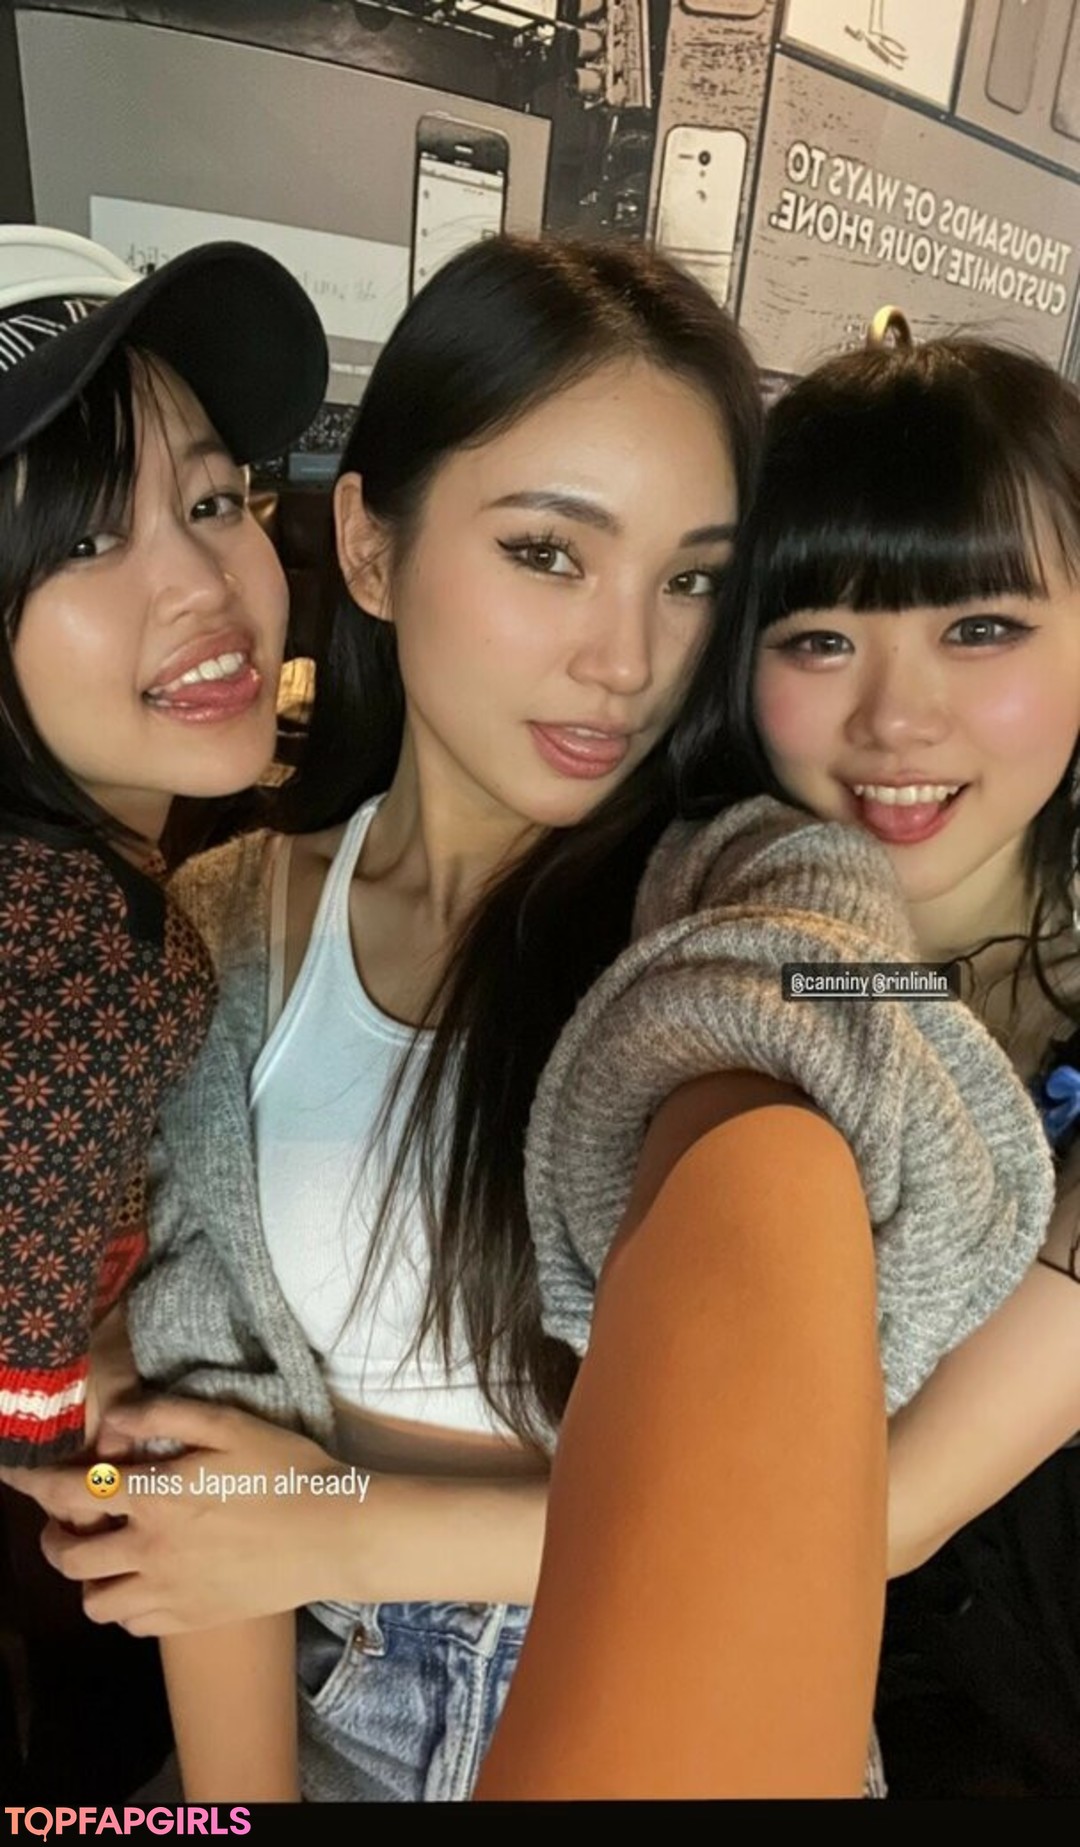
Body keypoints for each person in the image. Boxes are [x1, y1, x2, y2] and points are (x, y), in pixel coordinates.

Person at [1, 234, 766, 1801]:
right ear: (366, 545)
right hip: (326, 1715)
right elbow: (190, 1477)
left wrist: (320, 1516)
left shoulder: (746, 931)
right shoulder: (210, 936)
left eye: (692, 576)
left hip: (687, 1716)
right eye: (548, 552)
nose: (629, 660)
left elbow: (812, 1512)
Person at [475, 320, 1080, 1796]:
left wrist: (306, 1529)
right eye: (818, 638)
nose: (896, 719)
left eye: (981, 628)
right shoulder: (711, 933)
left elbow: (882, 1511)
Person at [0, 225, 326, 1790]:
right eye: (80, 540)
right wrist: (87, 1441)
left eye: (208, 502)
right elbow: (35, 1401)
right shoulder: (105, 946)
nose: (203, 584)